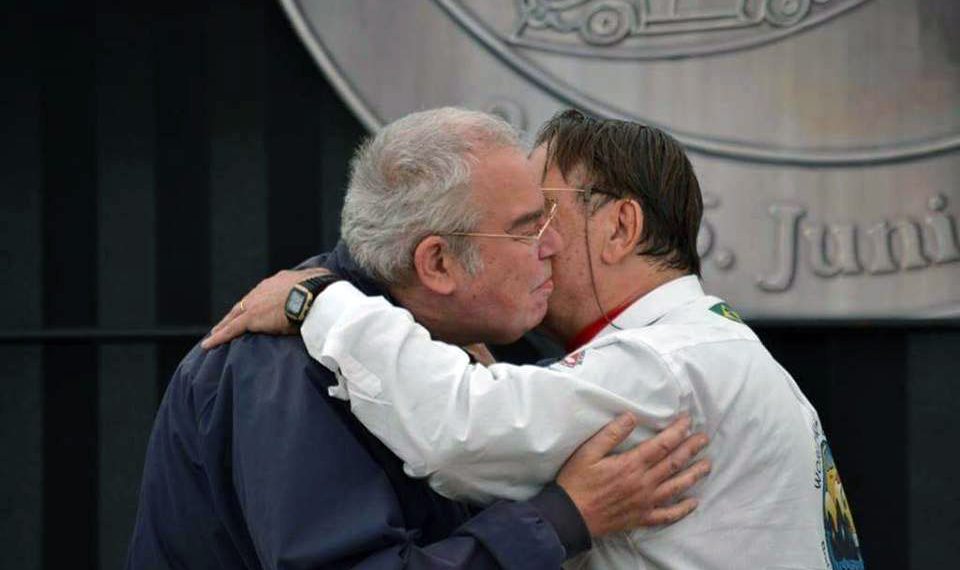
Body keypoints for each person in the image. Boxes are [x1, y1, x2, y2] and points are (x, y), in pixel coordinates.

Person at [208, 110, 865, 569]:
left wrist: (318, 302)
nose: (538, 246)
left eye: (542, 216)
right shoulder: (703, 346)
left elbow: (458, 432)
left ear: (620, 228)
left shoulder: (665, 364)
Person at [126, 108, 711, 569]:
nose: (552, 245)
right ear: (437, 264)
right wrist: (565, 517)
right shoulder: (286, 368)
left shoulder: (452, 335)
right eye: (528, 228)